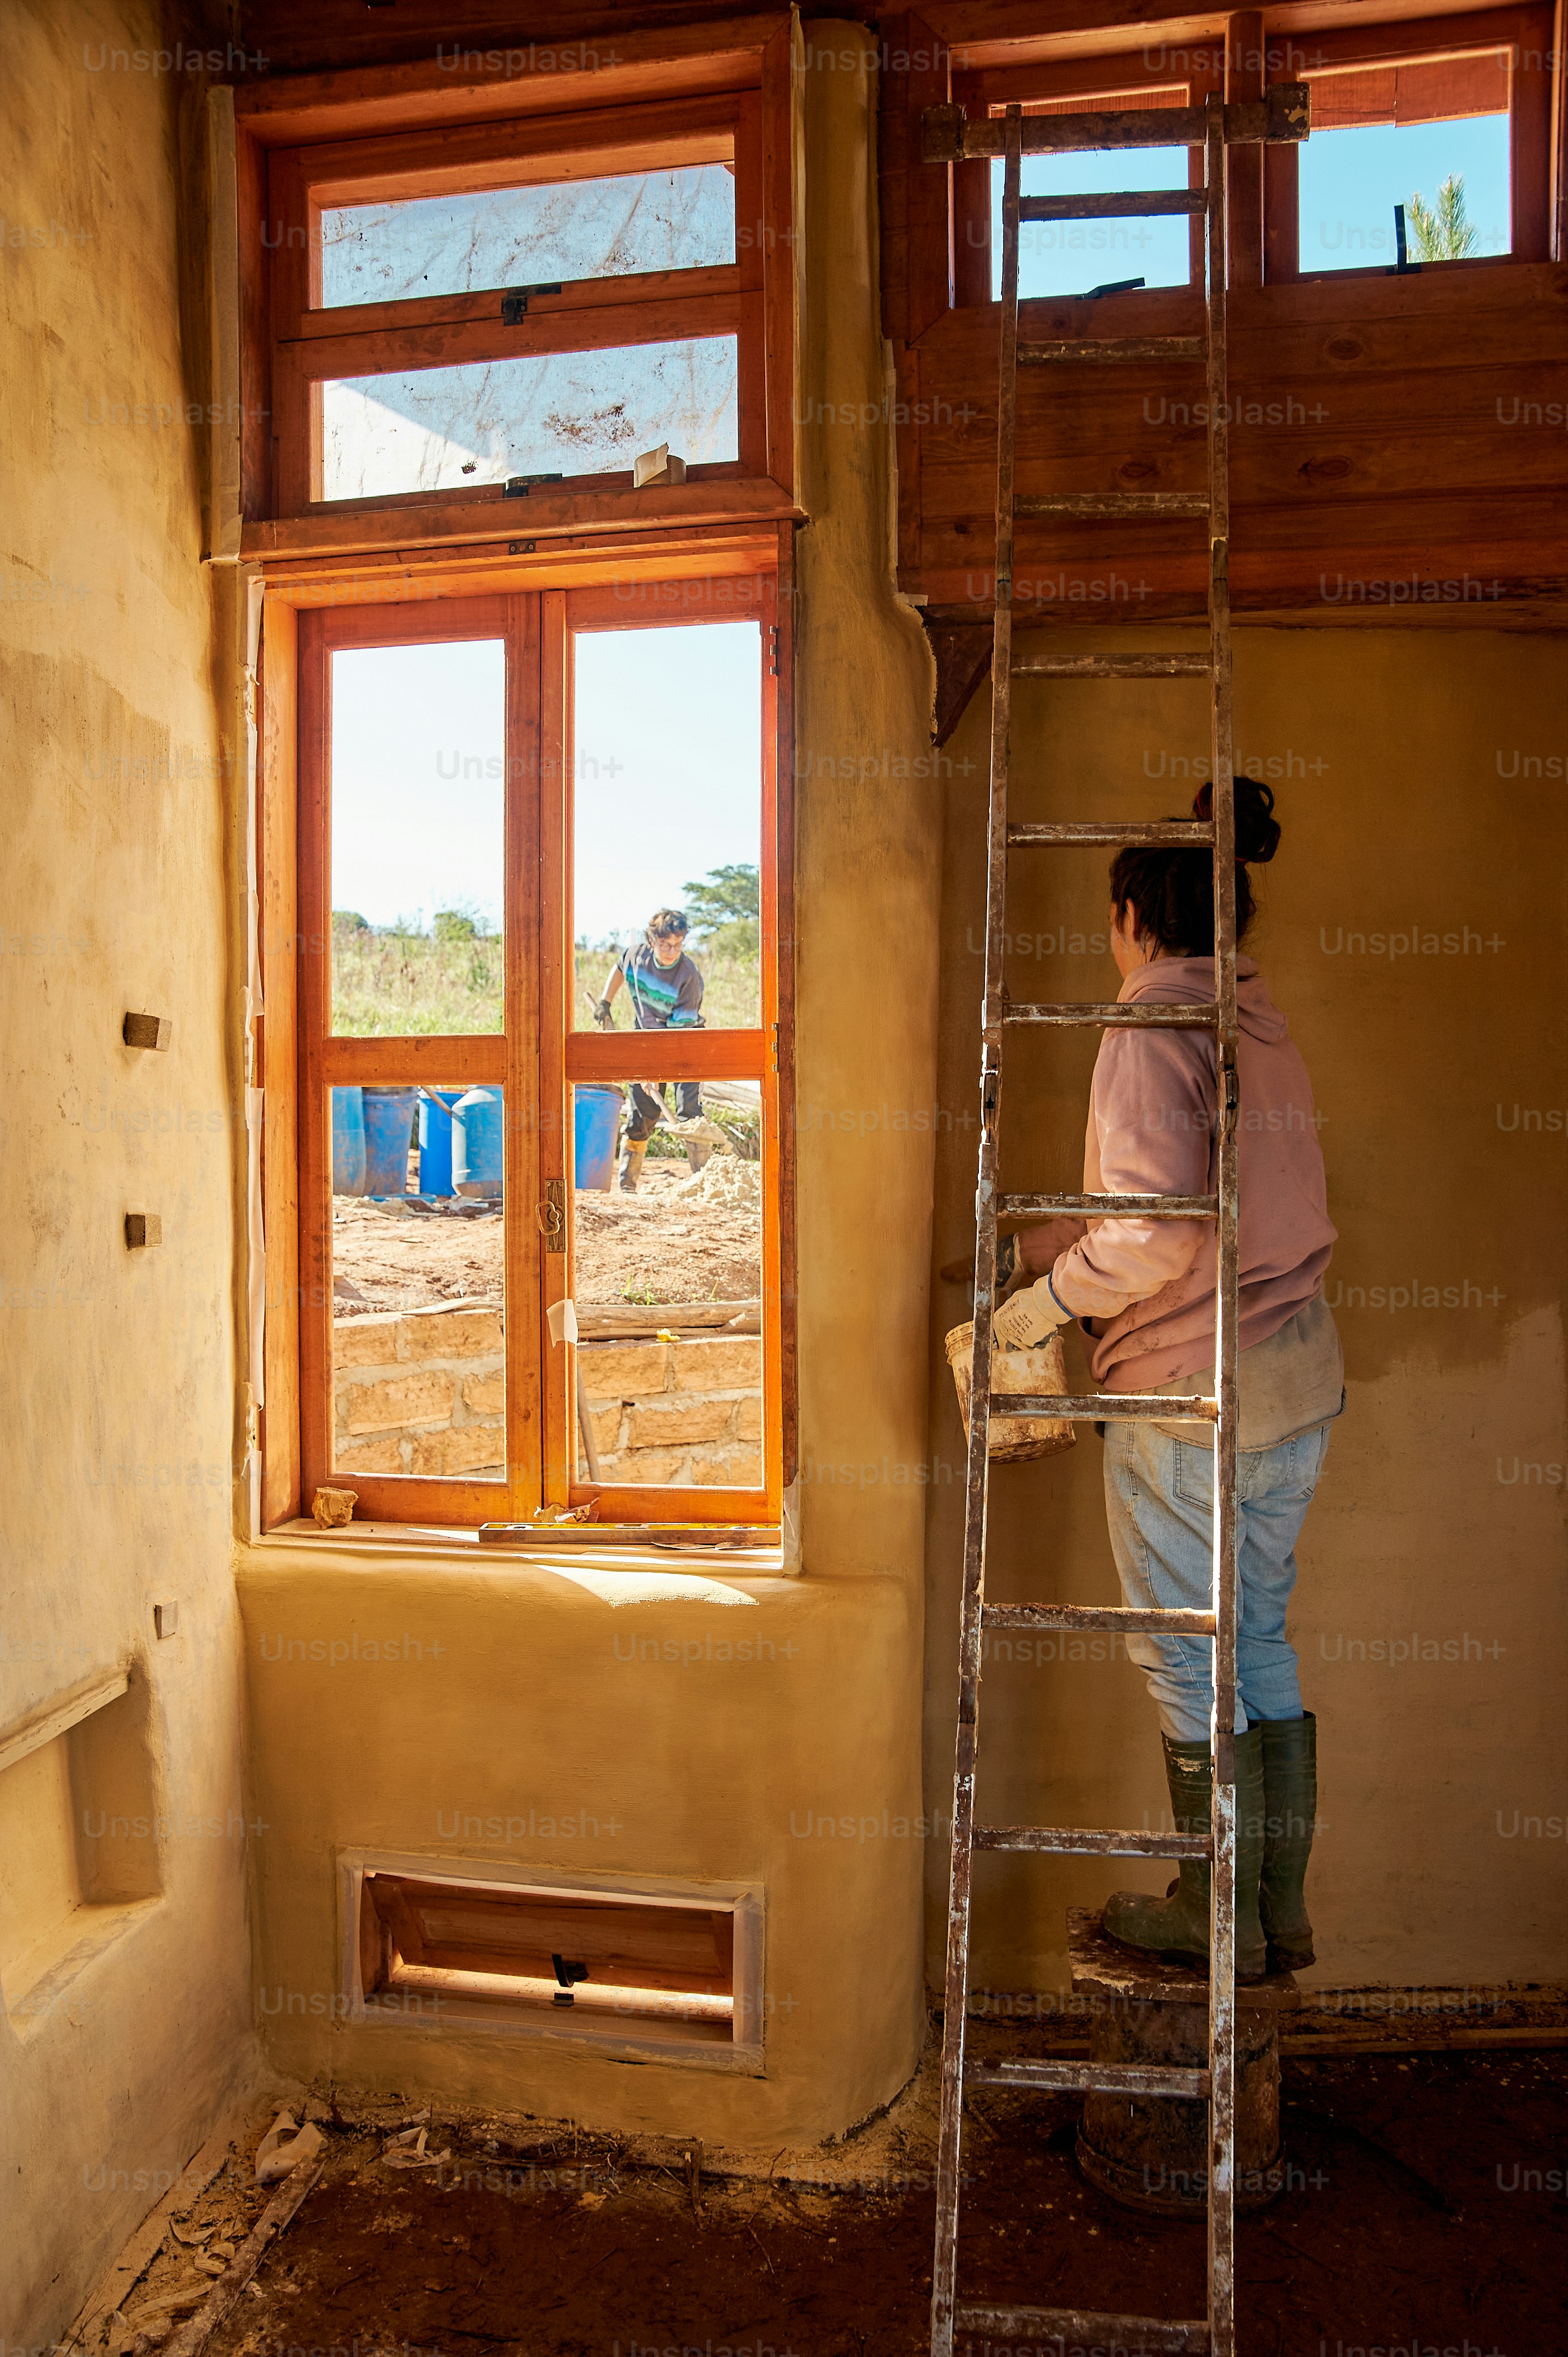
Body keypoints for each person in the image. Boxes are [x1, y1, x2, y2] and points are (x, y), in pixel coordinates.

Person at [993, 779, 1341, 1982]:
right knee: (1254, 1633)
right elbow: (1214, 1207)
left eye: (1110, 917)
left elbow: (1152, 1238)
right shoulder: (1257, 1020)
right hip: (1295, 1374)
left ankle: (1212, 1912)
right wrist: (1062, 1242)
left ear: (1136, 913)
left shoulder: (1148, 1023)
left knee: (1184, 1653)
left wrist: (1041, 1301)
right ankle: (1272, 1915)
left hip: (1192, 1391)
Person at [594, 908, 728, 1191]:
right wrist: (606, 1002)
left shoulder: (688, 976)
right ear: (652, 941)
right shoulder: (637, 956)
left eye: (678, 944)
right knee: (643, 1112)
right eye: (666, 944)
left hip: (685, 1043)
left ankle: (704, 1183)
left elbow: (677, 1038)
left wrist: (656, 1070)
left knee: (689, 1111)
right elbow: (619, 968)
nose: (671, 951)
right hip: (644, 1041)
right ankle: (627, 1184)